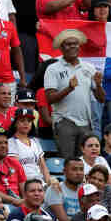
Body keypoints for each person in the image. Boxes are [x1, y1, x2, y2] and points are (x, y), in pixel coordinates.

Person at [44, 29, 104, 159]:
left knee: (85, 162)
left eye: (75, 43)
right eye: (68, 44)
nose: (72, 46)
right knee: (68, 161)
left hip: (86, 123)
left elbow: (101, 99)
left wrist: (98, 85)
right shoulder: (53, 69)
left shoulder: (88, 68)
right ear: (61, 48)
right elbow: (49, 99)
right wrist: (69, 89)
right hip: (64, 122)